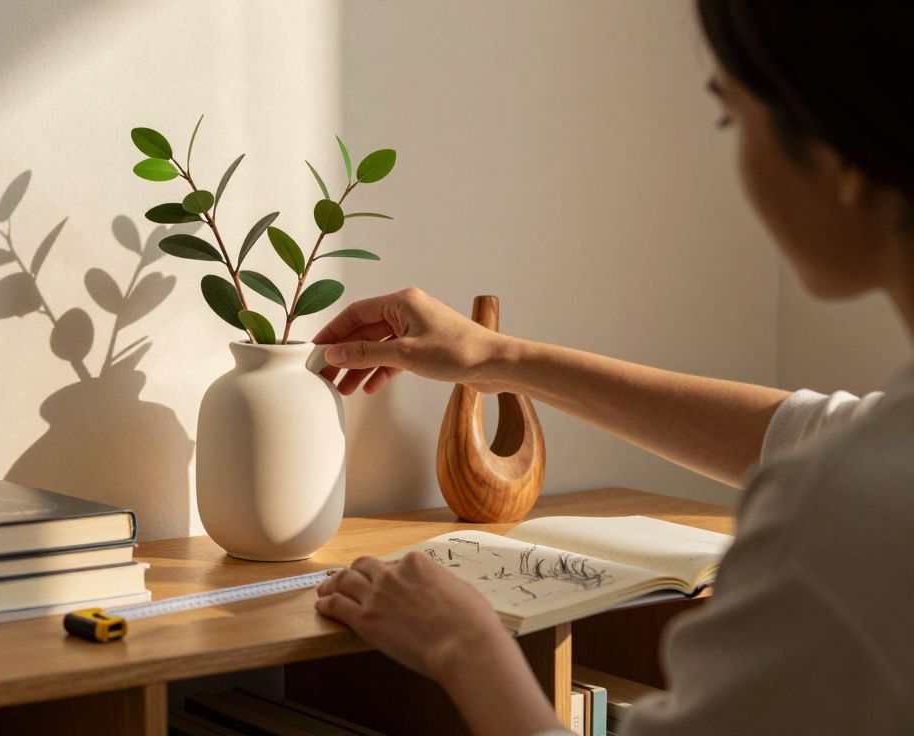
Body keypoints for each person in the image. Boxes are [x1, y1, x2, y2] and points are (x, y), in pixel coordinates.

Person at [311, 2, 914, 734]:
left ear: (838, 157)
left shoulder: (836, 521)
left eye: (731, 118)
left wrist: (464, 645)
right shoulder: (868, 470)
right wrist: (498, 358)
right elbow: (814, 434)